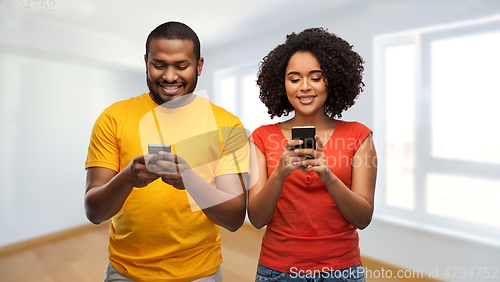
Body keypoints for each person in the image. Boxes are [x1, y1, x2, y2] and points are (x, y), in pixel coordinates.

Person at [84, 21, 249, 282]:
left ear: (199, 65)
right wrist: (127, 177)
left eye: (181, 66)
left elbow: (234, 219)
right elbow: (94, 212)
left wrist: (191, 181)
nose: (170, 76)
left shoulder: (228, 125)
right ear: (146, 62)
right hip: (126, 272)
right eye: (159, 65)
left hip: (200, 273)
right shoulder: (113, 118)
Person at [248, 28, 377, 281]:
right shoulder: (261, 138)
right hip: (277, 271)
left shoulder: (359, 136)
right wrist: (279, 174)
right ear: (281, 83)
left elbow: (362, 218)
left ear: (334, 79)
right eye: (294, 79)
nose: (304, 87)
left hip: (342, 271)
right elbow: (256, 218)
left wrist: (328, 176)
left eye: (315, 78)